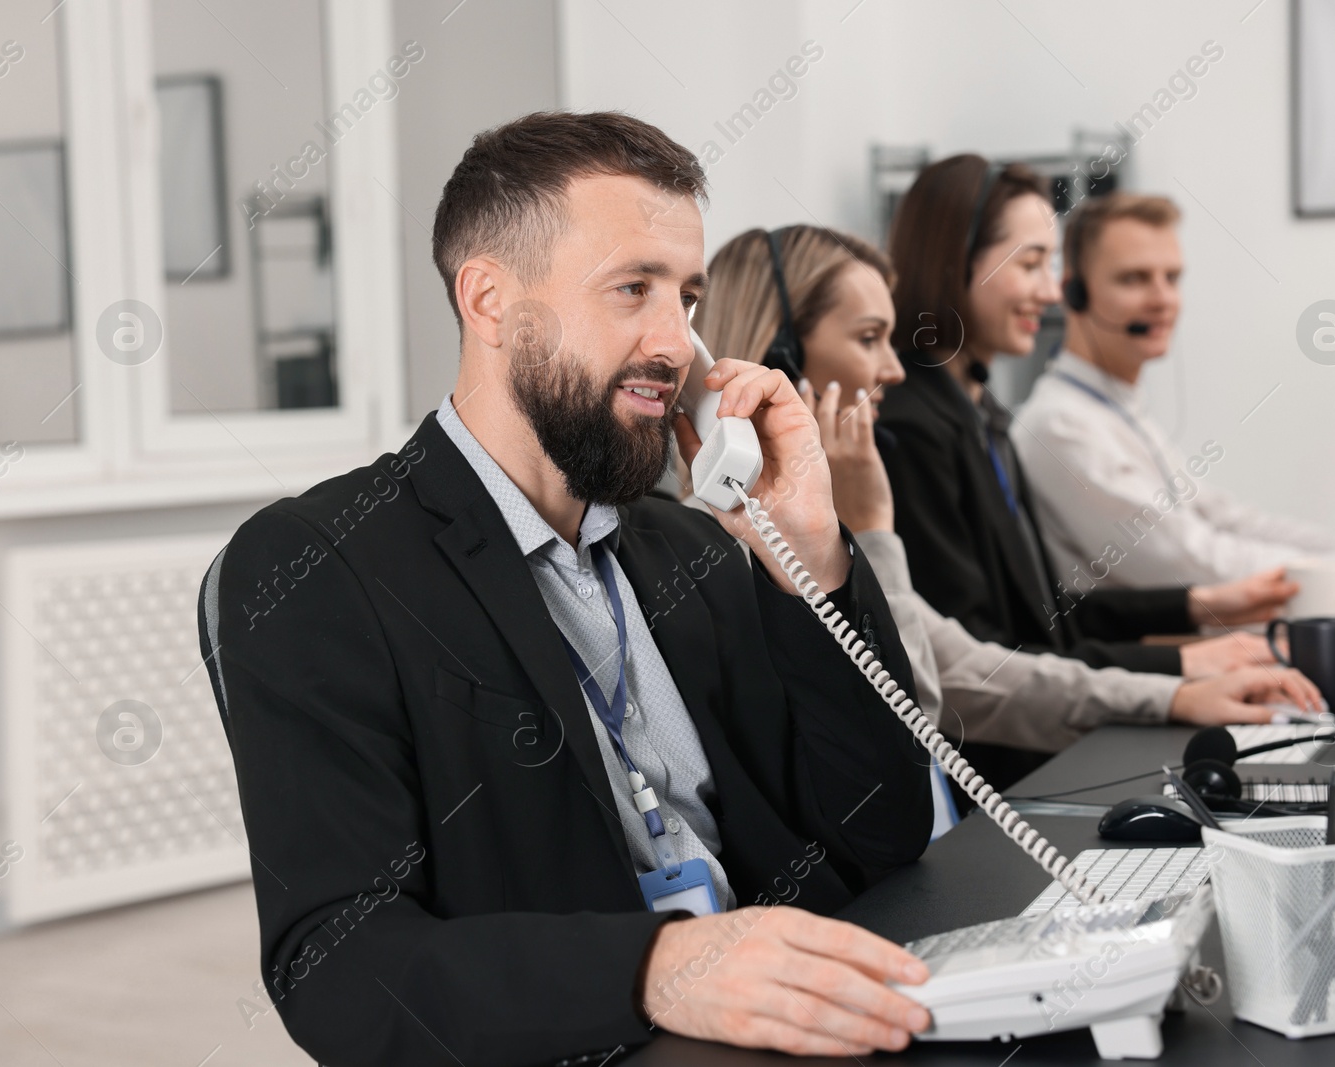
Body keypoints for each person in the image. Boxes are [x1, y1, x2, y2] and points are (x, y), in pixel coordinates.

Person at [201, 111, 937, 1066]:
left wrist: (813, 559)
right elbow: (340, 968)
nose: (676, 344)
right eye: (633, 288)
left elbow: (880, 831)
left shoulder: (696, 546)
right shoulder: (318, 564)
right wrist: (662, 967)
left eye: (688, 298)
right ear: (490, 300)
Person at [691, 225, 1323, 759]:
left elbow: (964, 668)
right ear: (782, 355)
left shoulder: (843, 501)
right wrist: (875, 527)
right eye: (867, 338)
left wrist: (1173, 697)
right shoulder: (707, 541)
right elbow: (918, 712)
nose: (893, 369)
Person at [878, 156, 1294, 681]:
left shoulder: (982, 416)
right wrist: (1178, 665)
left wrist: (1195, 605)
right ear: (954, 260)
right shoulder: (913, 429)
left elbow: (1041, 615)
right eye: (1030, 265)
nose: (1053, 293)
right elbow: (983, 661)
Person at [1013, 192, 1335, 597]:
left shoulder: (1119, 412)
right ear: (1073, 293)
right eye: (1133, 278)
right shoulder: (1061, 426)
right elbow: (1192, 561)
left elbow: (1224, 519)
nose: (1163, 299)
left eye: (1171, 278)